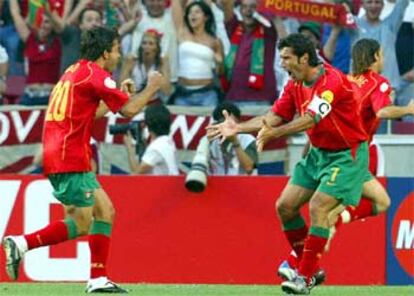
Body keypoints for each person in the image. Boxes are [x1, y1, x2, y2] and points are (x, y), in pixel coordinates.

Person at [2, 26, 163, 293]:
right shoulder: (98, 75)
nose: (119, 55)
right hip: (70, 154)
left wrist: (122, 96)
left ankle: (28, 248)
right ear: (105, 52)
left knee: (94, 217)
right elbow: (130, 110)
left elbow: (93, 111)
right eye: (116, 49)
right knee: (93, 218)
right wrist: (152, 87)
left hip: (59, 152)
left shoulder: (75, 71)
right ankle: (30, 247)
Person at [207, 33, 369, 294]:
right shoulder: (293, 84)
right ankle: (309, 269)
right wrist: (237, 127)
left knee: (318, 206)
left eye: (286, 58)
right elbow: (273, 117)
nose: (281, 64)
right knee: (285, 207)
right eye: (280, 58)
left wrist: (274, 133)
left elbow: (310, 120)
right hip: (318, 154)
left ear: (305, 58)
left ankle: (303, 277)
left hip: (346, 155)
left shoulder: (331, 82)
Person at [331, 38, 414, 228]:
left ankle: (330, 225)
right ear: (376, 56)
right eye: (382, 55)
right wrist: (408, 110)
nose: (383, 60)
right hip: (355, 156)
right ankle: (336, 223)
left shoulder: (342, 81)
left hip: (330, 154)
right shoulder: (378, 83)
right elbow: (382, 111)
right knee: (382, 202)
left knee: (328, 206)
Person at [171, 0, 224, 106]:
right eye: (190, 12)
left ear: (206, 17)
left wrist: (219, 63)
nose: (192, 15)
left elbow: (221, 73)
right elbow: (176, 4)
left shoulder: (215, 41)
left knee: (210, 123)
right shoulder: (182, 32)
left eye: (197, 12)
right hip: (183, 93)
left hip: (207, 94)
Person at [10, 0, 62, 105]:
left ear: (52, 24)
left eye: (47, 22)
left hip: (52, 97)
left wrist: (47, 9)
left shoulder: (59, 41)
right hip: (30, 96)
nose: (43, 24)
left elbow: (60, 26)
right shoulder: (29, 39)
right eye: (40, 20)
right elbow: (15, 13)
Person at [123, 104, 179, 175]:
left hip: (161, 185)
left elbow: (136, 174)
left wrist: (129, 147)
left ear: (148, 125)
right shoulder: (166, 141)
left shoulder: (156, 148)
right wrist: (142, 140)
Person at [119, 28, 172, 104]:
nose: (147, 46)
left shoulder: (162, 63)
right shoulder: (132, 62)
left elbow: (167, 90)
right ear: (140, 46)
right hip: (134, 101)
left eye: (151, 44)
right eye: (144, 43)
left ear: (157, 48)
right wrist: (126, 65)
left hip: (154, 102)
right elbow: (121, 88)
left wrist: (164, 65)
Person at [207, 101, 258, 175]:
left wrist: (235, 141)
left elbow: (249, 168)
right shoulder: (212, 142)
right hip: (219, 184)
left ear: (238, 121)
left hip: (244, 184)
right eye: (223, 122)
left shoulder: (248, 140)